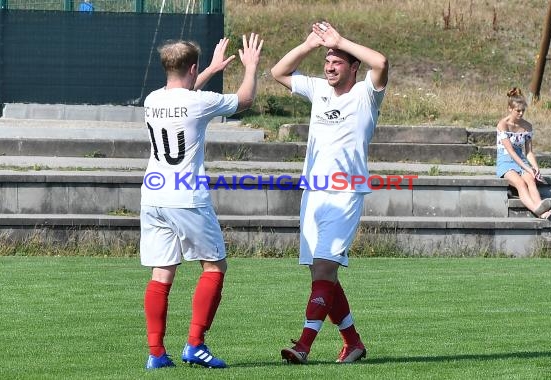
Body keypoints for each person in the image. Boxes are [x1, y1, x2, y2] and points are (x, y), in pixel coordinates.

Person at [141, 34, 263, 370]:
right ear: (191, 68)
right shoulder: (199, 102)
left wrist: (208, 69)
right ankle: (195, 344)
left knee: (162, 273)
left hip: (153, 195)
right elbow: (245, 99)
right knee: (214, 266)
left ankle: (156, 353)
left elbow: (183, 95)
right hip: (187, 196)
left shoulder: (152, 99)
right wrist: (250, 67)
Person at [271, 21, 388, 364]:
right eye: (327, 61)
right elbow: (278, 71)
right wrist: (309, 45)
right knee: (323, 273)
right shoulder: (318, 89)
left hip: (344, 195)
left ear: (354, 67)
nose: (330, 66)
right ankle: (353, 343)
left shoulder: (366, 93)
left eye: (337, 61)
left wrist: (340, 40)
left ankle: (303, 346)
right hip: (313, 194)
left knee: (323, 270)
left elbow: (380, 62)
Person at [496, 87, 551, 219]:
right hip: (506, 162)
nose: (521, 113)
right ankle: (538, 211)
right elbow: (510, 151)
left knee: (531, 180)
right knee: (521, 183)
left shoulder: (527, 126)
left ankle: (540, 205)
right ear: (510, 109)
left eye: (523, 110)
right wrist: (527, 167)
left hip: (522, 161)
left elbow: (529, 152)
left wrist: (535, 168)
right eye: (518, 111)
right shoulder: (502, 125)